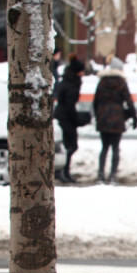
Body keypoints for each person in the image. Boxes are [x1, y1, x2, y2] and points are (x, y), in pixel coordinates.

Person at [92, 56, 137, 184]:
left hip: (103, 117)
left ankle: (101, 175)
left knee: (104, 147)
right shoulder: (121, 83)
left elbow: (95, 101)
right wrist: (134, 117)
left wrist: (98, 115)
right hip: (117, 117)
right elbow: (129, 101)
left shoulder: (102, 82)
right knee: (115, 148)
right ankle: (113, 176)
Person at [53, 54, 90, 184]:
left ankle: (63, 171)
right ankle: (62, 171)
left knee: (68, 145)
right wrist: (77, 120)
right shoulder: (72, 84)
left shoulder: (68, 81)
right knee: (70, 146)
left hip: (62, 116)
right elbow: (69, 105)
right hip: (66, 118)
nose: (83, 73)